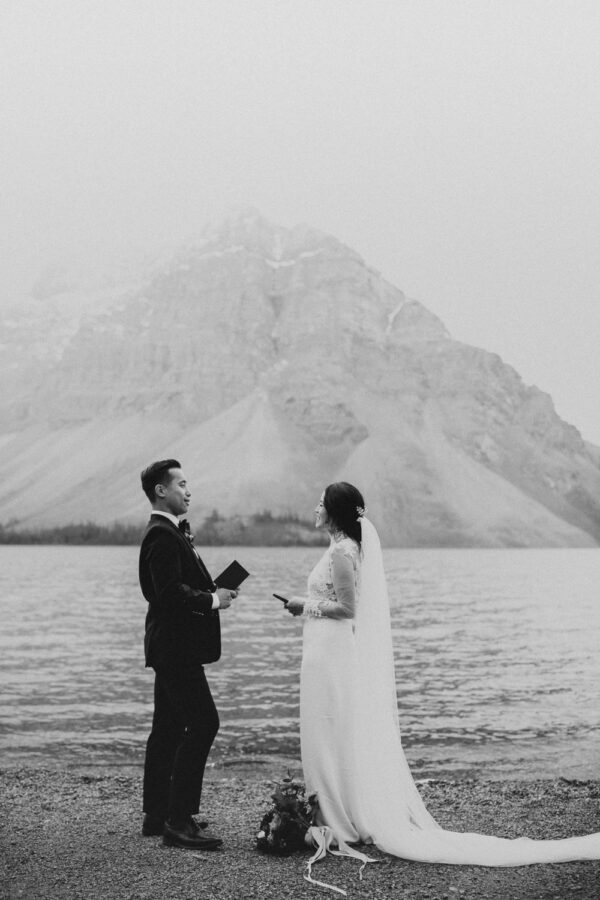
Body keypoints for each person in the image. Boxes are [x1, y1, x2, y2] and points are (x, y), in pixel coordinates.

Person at [284, 481, 600, 865]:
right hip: (324, 650)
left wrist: (305, 605)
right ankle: (337, 808)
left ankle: (339, 816)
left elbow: (349, 608)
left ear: (334, 511)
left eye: (321, 503)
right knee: (331, 730)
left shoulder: (341, 553)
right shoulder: (343, 549)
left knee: (329, 727)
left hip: (330, 653)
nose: (315, 508)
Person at [138, 459, 237, 850]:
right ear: (161, 491)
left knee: (166, 728)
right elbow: (167, 595)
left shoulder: (168, 532)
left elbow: (177, 586)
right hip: (176, 650)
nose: (188, 490)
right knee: (204, 724)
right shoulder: (162, 535)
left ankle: (157, 814)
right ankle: (178, 821)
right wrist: (213, 599)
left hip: (170, 647)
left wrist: (215, 589)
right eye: (181, 484)